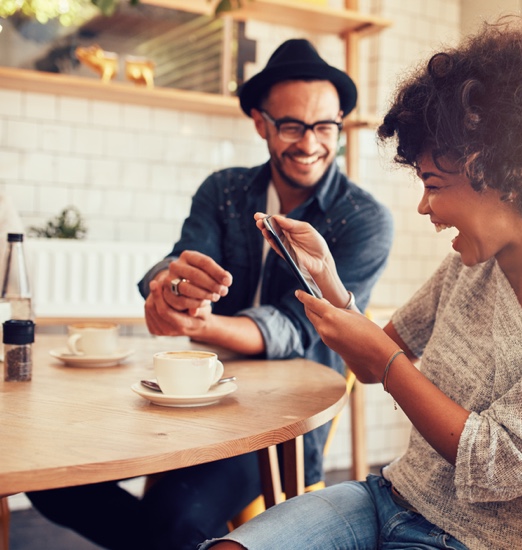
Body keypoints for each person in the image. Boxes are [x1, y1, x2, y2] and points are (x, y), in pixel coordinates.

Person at [200, 15, 522, 550]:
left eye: (433, 184)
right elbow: (369, 362)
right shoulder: (471, 262)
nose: (424, 206)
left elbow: (499, 466)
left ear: (493, 170)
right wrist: (330, 283)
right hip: (387, 497)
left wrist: (390, 366)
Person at [26, 38, 394, 550]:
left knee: (174, 520)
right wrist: (169, 291)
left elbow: (292, 328)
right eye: (291, 125)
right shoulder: (223, 190)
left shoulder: (365, 219)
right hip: (189, 394)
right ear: (261, 123)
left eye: (325, 127)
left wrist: (200, 325)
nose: (310, 143)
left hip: (283, 416)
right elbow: (179, 262)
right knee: (51, 478)